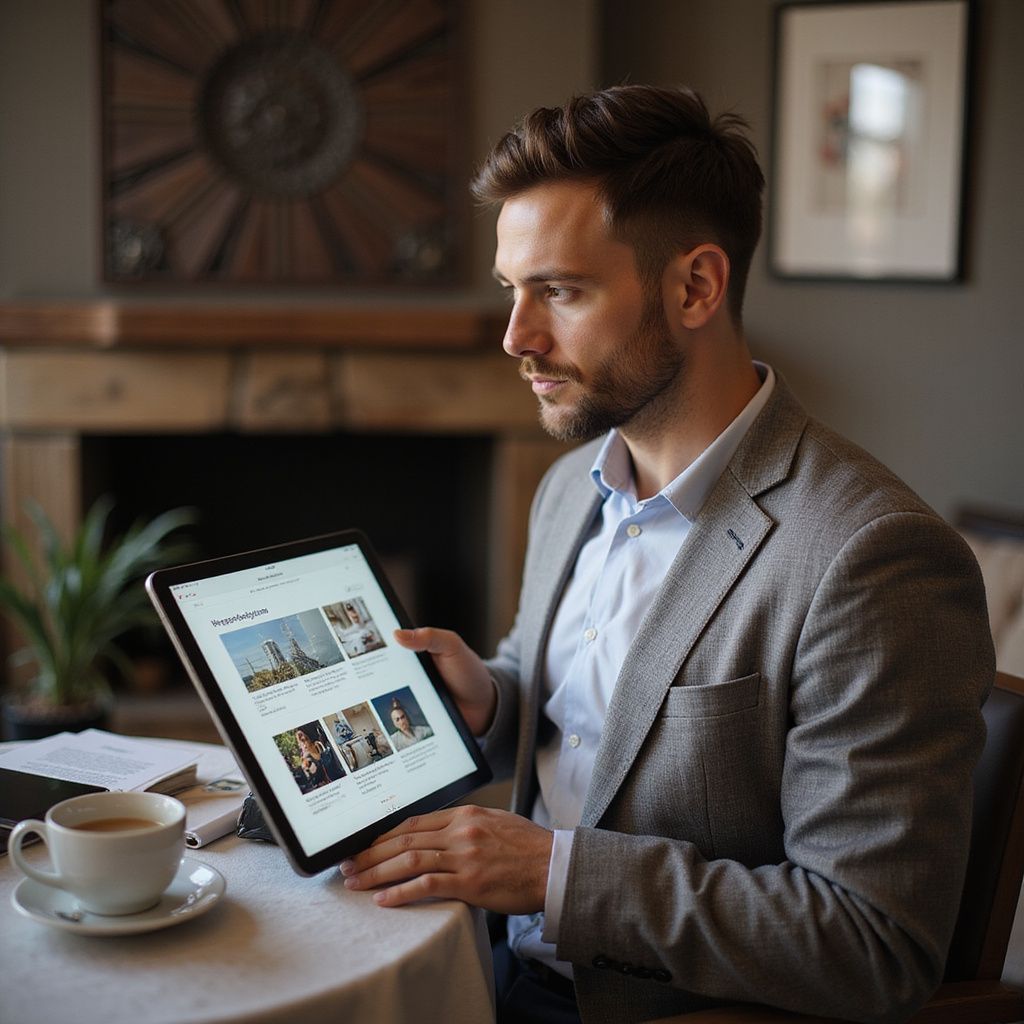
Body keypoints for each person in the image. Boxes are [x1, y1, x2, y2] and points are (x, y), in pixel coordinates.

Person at [338, 85, 994, 1023]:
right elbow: (587, 713)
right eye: (510, 291)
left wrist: (553, 873)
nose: (515, 338)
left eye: (559, 290)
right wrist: (490, 693)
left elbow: (872, 943)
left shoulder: (875, 558)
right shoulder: (573, 484)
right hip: (491, 967)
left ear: (695, 286)